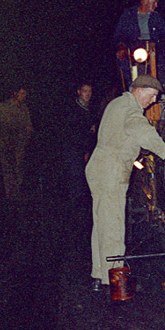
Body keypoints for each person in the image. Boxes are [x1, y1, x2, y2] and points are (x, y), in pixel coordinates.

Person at [85, 74, 165, 292]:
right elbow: (141, 130)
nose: (153, 101)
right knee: (114, 225)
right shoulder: (132, 109)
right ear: (140, 90)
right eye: (152, 96)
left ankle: (99, 274)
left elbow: (123, 134)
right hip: (111, 170)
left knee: (102, 222)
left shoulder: (117, 103)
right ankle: (114, 281)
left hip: (100, 166)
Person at [113, 0, 165, 94]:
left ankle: (161, 91)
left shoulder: (156, 17)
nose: (156, 5)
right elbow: (119, 35)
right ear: (144, 2)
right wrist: (121, 47)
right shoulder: (128, 15)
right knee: (123, 58)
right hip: (134, 48)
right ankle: (130, 88)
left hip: (153, 48)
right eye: (154, 2)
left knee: (162, 58)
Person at [63, 82, 96, 240]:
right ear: (79, 92)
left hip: (84, 150)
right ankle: (75, 215)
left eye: (89, 91)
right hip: (75, 151)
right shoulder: (74, 110)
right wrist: (83, 149)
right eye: (84, 91)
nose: (87, 94)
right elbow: (74, 132)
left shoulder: (89, 109)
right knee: (76, 179)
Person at [0, 85, 33, 199]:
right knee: (7, 166)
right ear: (15, 93)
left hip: (19, 142)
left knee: (19, 165)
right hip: (6, 140)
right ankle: (10, 193)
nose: (23, 96)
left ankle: (18, 190)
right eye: (21, 93)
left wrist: (27, 138)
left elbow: (28, 125)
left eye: (25, 94)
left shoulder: (24, 108)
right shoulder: (4, 106)